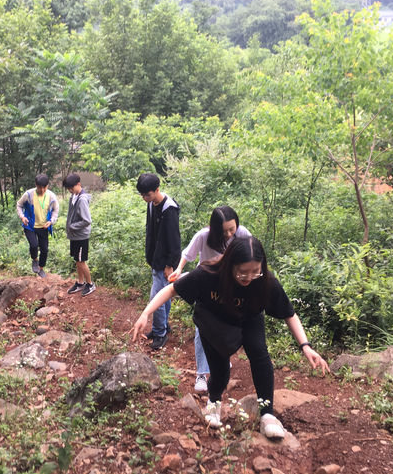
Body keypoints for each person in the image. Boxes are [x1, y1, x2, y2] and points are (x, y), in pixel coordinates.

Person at [131, 236, 329, 438]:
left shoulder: (265, 282)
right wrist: (146, 314)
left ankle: (267, 415)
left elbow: (289, 314)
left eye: (255, 271)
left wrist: (305, 346)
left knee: (260, 356)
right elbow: (171, 289)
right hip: (214, 320)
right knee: (220, 371)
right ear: (230, 264)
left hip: (249, 319)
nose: (249, 277)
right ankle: (214, 402)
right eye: (243, 271)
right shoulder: (208, 274)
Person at [168, 206, 252, 394]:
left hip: (230, 288)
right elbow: (187, 254)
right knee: (202, 328)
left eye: (232, 229)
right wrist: (179, 270)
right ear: (214, 228)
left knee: (225, 325)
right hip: (206, 286)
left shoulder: (242, 234)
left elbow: (252, 253)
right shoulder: (203, 236)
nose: (229, 234)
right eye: (224, 231)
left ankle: (221, 360)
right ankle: (201, 374)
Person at [136, 173, 181, 350]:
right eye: (142, 195)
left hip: (165, 262)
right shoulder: (151, 204)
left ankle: (160, 333)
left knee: (156, 297)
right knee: (164, 295)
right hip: (155, 258)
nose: (144, 198)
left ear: (157, 190)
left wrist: (170, 265)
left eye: (147, 194)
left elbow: (174, 240)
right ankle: (163, 326)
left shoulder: (169, 209)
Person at [16, 174, 59, 278]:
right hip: (30, 226)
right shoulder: (29, 194)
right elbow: (19, 205)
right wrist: (22, 217)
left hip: (44, 227)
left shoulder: (51, 196)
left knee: (44, 250)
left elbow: (55, 210)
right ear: (36, 185)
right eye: (40, 187)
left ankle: (41, 268)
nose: (42, 190)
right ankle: (35, 260)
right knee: (34, 245)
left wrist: (51, 221)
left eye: (44, 187)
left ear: (47, 186)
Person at [63, 173, 96, 296]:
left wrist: (72, 226)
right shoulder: (74, 196)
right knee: (77, 260)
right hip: (75, 236)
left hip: (81, 236)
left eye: (71, 188)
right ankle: (81, 282)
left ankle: (90, 284)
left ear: (78, 184)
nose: (70, 191)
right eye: (68, 189)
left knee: (81, 261)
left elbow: (87, 220)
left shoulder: (81, 199)